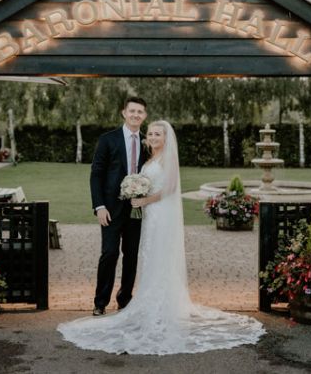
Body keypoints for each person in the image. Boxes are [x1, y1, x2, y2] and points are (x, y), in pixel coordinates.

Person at [58, 120, 265, 355]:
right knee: (147, 257)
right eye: (151, 133)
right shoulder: (147, 159)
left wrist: (144, 200)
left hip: (159, 215)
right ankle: (144, 301)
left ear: (166, 138)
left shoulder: (167, 159)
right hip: (148, 218)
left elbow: (170, 187)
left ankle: (162, 306)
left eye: (158, 134)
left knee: (160, 257)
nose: (154, 137)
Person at [89, 96, 149, 316]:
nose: (135, 115)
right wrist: (99, 206)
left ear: (144, 116)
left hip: (137, 209)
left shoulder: (147, 142)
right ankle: (100, 301)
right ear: (124, 113)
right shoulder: (108, 139)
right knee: (109, 253)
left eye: (140, 112)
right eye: (132, 111)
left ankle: (125, 299)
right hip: (110, 210)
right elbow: (96, 175)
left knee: (131, 255)